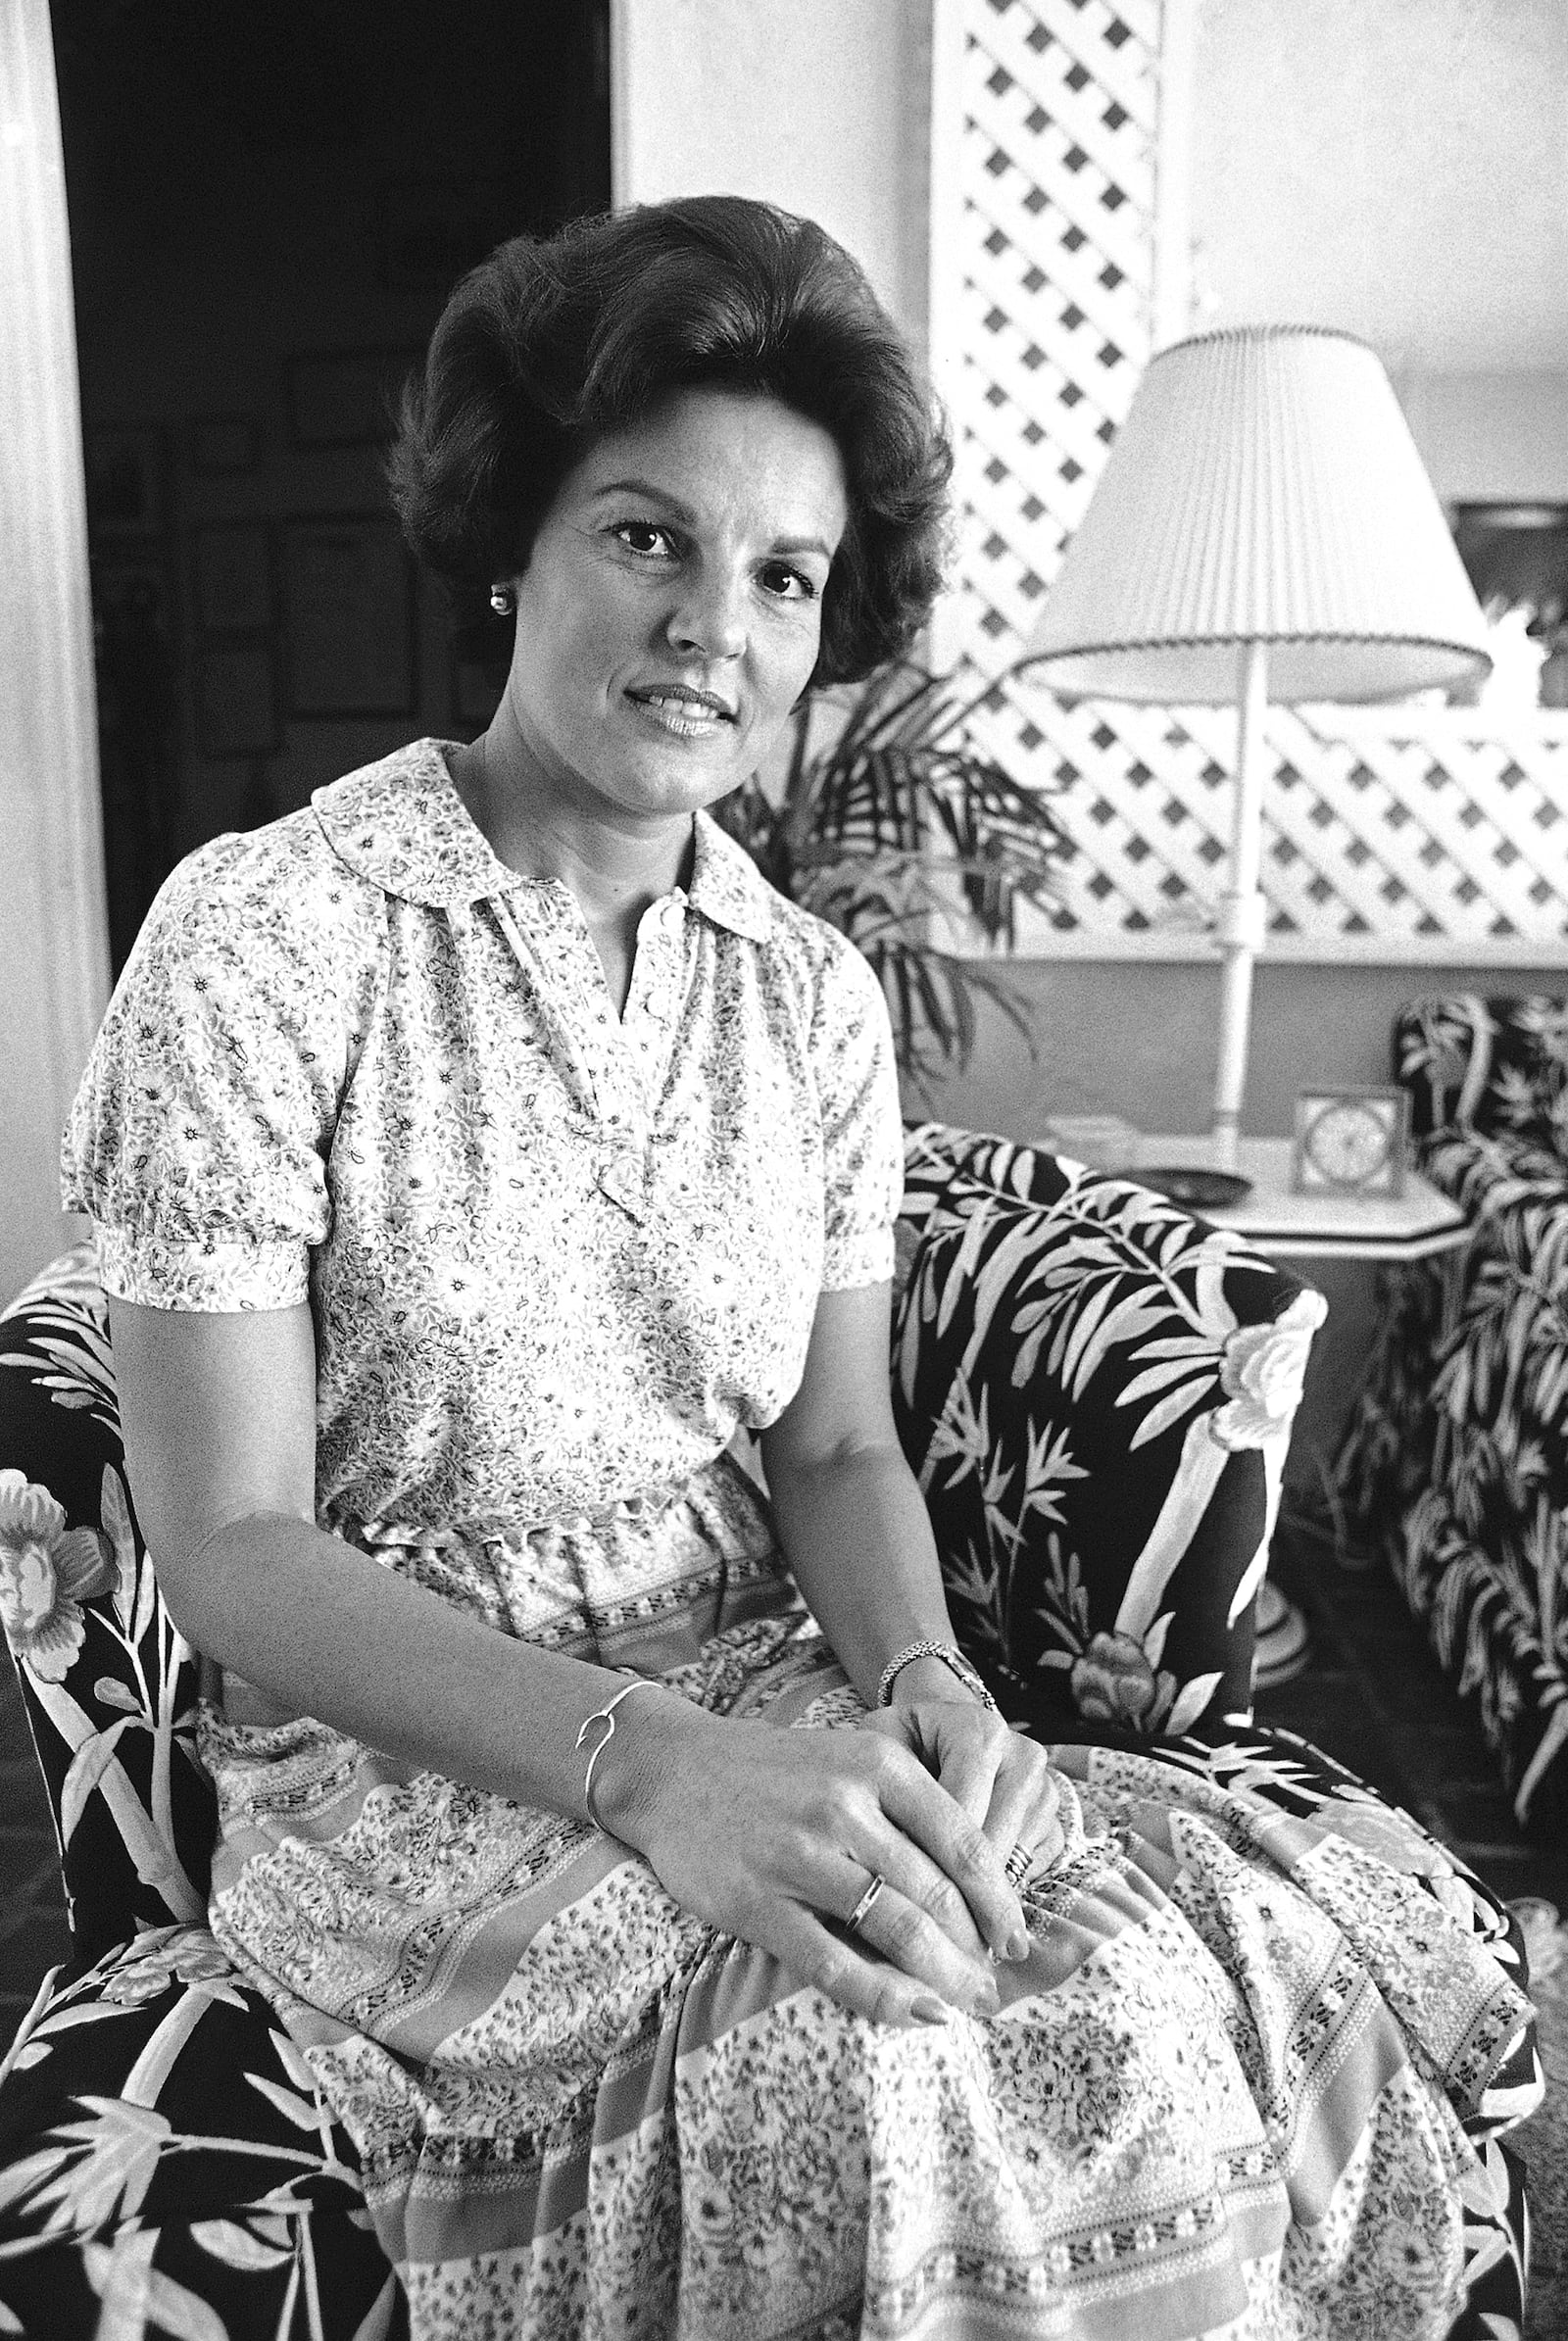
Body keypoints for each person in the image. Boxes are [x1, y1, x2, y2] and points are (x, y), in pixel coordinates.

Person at [64, 196, 1529, 2339]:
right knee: (879, 2044)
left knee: (1116, 1968)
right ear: (510, 539)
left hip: (771, 1672)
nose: (710, 630)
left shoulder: (811, 999)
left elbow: (836, 1445)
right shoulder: (266, 938)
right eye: (645, 537)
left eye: (780, 575)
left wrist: (927, 1683)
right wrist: (650, 1770)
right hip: (418, 1758)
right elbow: (231, 1539)